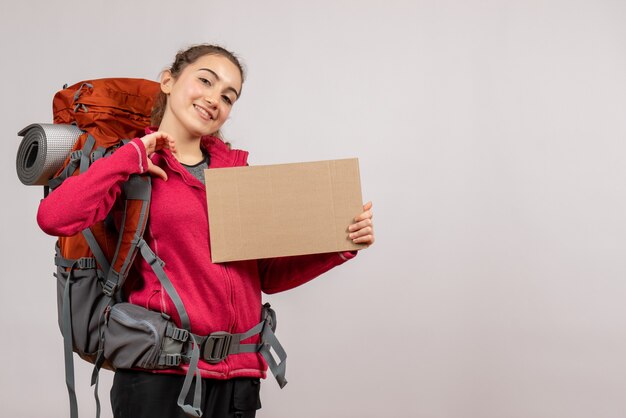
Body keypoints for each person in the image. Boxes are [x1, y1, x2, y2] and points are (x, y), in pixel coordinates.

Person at [37, 44, 375, 418]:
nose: (215, 99)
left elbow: (265, 275)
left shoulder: (235, 174)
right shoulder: (131, 166)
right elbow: (54, 217)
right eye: (206, 81)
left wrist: (339, 244)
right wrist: (130, 156)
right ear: (169, 80)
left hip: (239, 380)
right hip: (160, 378)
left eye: (228, 96)